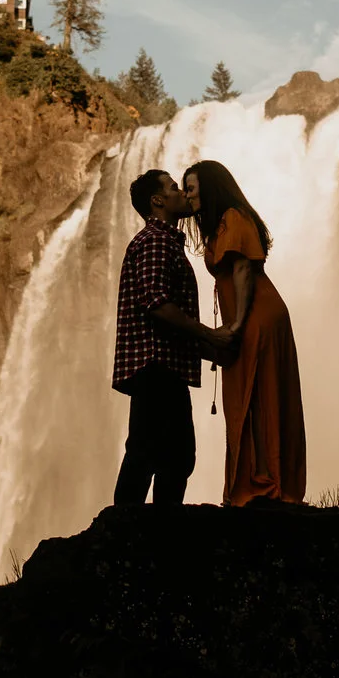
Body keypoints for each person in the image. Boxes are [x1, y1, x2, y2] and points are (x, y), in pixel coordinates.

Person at [185, 159, 306, 507]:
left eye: (191, 189)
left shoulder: (233, 218)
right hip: (251, 315)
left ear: (209, 187)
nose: (188, 196)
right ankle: (258, 481)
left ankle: (264, 484)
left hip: (257, 315)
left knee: (259, 393)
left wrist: (236, 324)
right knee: (250, 395)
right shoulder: (223, 221)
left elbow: (241, 269)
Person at [110, 168, 204, 506]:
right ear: (158, 200)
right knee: (160, 454)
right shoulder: (155, 240)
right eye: (174, 187)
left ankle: (141, 533)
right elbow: (155, 302)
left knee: (164, 454)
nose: (182, 193)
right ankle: (130, 533)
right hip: (156, 365)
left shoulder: (163, 241)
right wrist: (209, 337)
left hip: (161, 365)